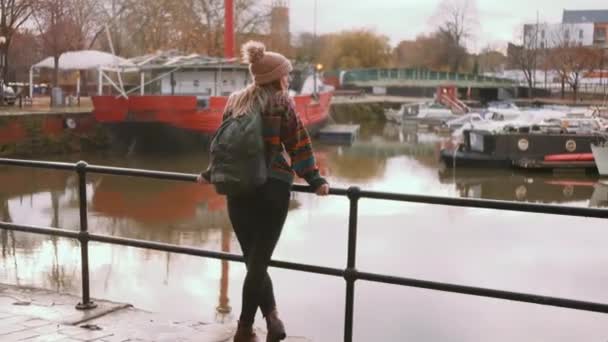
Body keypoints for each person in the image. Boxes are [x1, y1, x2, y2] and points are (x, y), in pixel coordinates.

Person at [197, 41, 330, 342]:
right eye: (286, 74)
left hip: (238, 187)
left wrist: (209, 174)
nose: (288, 79)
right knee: (259, 262)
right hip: (273, 187)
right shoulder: (282, 102)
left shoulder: (235, 101)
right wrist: (315, 180)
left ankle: (271, 320)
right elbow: (297, 143)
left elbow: (225, 148)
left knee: (253, 259)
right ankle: (246, 327)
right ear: (276, 77)